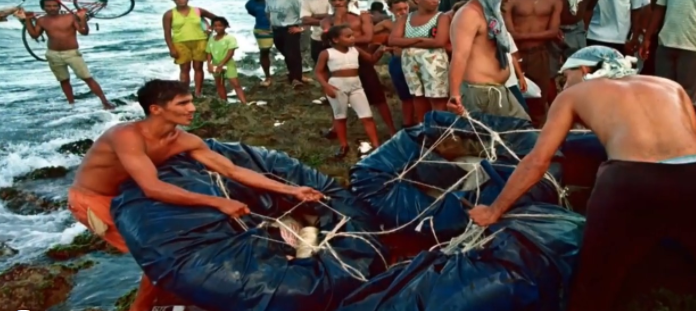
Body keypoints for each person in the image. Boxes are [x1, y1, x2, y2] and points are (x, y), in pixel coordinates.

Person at [467, 46, 696, 311]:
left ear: (585, 70)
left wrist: (494, 210)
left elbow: (537, 161)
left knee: (594, 283)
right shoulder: (669, 85)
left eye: (566, 77)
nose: (563, 85)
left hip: (629, 180)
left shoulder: (574, 94)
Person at [67, 79, 325, 311]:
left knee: (168, 254)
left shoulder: (183, 139)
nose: (192, 108)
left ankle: (172, 297)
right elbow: (152, 188)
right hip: (96, 199)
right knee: (157, 258)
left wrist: (292, 189)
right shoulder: (126, 136)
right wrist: (219, 202)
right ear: (156, 109)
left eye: (191, 101)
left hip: (130, 194)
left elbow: (232, 170)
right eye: (183, 103)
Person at [321, 0, 397, 138]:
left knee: (377, 96)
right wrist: (338, 18)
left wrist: (344, 39)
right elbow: (329, 39)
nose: (337, 2)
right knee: (337, 96)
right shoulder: (326, 20)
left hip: (362, 59)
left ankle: (392, 130)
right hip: (339, 64)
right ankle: (335, 129)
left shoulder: (363, 16)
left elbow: (368, 37)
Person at [19, 0, 113, 110]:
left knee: (87, 78)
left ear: (59, 7)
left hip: (72, 53)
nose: (52, 8)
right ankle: (71, 104)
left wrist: (82, 18)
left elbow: (84, 32)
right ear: (43, 8)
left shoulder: (70, 17)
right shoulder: (41, 20)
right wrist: (28, 20)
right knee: (63, 80)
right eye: (48, 6)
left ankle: (105, 102)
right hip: (53, 54)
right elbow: (34, 35)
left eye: (54, 6)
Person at [447, 0, 530, 120]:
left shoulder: (490, 13)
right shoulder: (469, 14)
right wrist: (454, 95)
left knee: (522, 130)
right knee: (487, 137)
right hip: (479, 94)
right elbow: (459, 56)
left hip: (498, 91)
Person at [315, 25, 386, 157]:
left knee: (367, 116)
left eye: (353, 35)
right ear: (336, 39)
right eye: (348, 36)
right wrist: (326, 86)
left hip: (356, 86)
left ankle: (376, 145)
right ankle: (343, 146)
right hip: (337, 86)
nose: (352, 38)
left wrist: (381, 51)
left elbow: (371, 59)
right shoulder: (327, 53)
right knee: (340, 117)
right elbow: (318, 72)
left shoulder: (355, 50)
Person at [389, 0, 451, 123]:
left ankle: (441, 132)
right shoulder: (406, 18)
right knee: (418, 96)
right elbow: (392, 40)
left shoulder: (441, 17)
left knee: (438, 98)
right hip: (411, 65)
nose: (435, 1)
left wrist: (407, 41)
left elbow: (439, 42)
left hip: (434, 64)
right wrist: (420, 39)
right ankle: (425, 131)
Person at [503, 0, 563, 127]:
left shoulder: (555, 2)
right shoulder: (509, 1)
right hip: (514, 54)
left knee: (539, 101)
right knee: (512, 100)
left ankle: (537, 136)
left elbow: (553, 32)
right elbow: (508, 33)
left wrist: (521, 36)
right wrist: (540, 35)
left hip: (539, 54)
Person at [640, 0, 696, 104]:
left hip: (691, 47)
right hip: (665, 43)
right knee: (662, 94)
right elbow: (659, 9)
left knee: (686, 99)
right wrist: (647, 38)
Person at [375, 0, 416, 127]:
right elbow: (368, 34)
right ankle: (407, 125)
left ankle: (421, 123)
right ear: (390, 10)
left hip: (415, 62)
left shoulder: (416, 21)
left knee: (420, 95)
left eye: (405, 8)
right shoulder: (387, 24)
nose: (403, 12)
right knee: (405, 96)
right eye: (399, 10)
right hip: (398, 62)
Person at [162, 0, 216, 97]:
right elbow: (167, 33)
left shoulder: (198, 10)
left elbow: (216, 19)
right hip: (180, 43)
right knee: (184, 69)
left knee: (198, 67)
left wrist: (210, 29)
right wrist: (171, 48)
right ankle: (185, 92)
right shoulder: (169, 14)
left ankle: (198, 92)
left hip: (200, 41)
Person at [547, 0, 589, 103]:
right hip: (549, 25)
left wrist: (584, 29)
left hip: (577, 28)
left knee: (581, 71)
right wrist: (552, 26)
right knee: (549, 73)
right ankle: (555, 108)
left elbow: (589, 8)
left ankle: (577, 107)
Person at [206, 17, 247, 104]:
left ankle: (244, 103)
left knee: (236, 84)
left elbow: (230, 53)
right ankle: (224, 103)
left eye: (220, 25)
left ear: (226, 26)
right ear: (212, 27)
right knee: (219, 84)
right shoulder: (211, 39)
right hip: (215, 64)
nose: (217, 28)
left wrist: (222, 64)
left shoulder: (230, 38)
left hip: (228, 64)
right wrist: (209, 64)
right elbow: (209, 53)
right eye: (215, 26)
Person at [266, 0, 307, 88]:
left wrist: (302, 28)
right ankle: (293, 74)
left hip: (290, 29)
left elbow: (304, 14)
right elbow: (268, 12)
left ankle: (296, 79)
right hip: (276, 30)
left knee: (292, 54)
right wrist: (270, 25)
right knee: (286, 53)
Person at [584, 0, 648, 55]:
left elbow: (637, 10)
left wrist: (634, 38)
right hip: (594, 36)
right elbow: (637, 10)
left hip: (618, 39)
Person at [245, 0, 273, 87]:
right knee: (264, 51)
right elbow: (255, 14)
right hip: (262, 28)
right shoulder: (250, 4)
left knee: (288, 50)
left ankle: (296, 74)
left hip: (280, 27)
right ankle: (268, 77)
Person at [504, 32, 529, 114]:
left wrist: (521, 76)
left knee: (522, 109)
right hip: (493, 85)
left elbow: (512, 56)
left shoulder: (505, 34)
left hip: (511, 82)